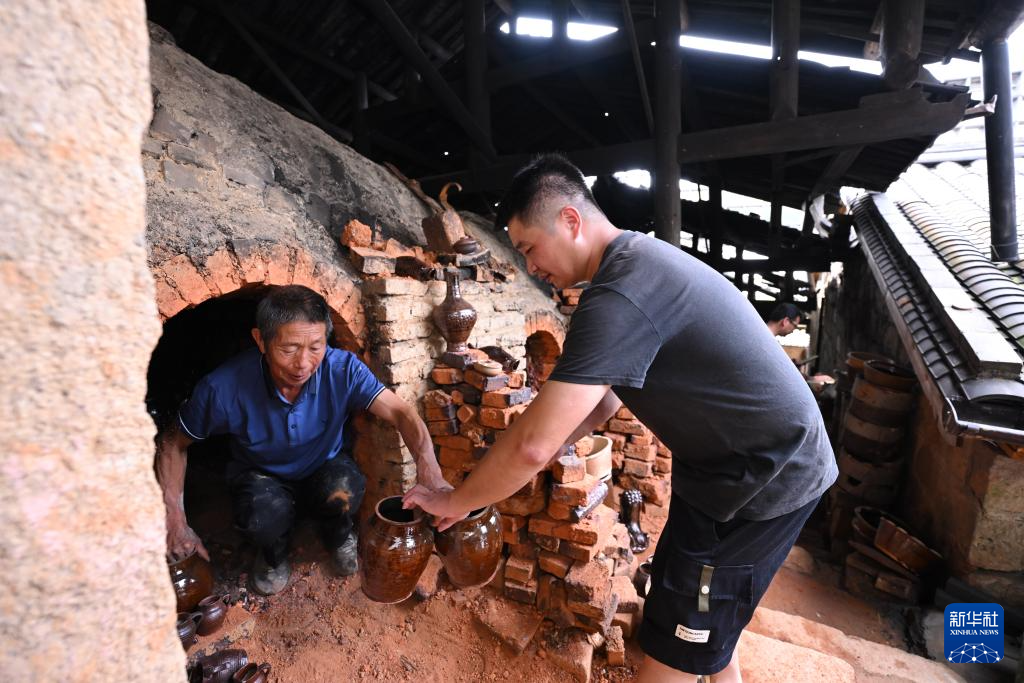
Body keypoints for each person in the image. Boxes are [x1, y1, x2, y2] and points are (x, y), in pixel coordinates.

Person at [404, 155, 837, 682]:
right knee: (694, 614)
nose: (530, 267)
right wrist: (548, 449)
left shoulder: (619, 295)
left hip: (764, 476)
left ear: (570, 220)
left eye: (529, 249)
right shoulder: (635, 265)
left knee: (680, 638)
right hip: (721, 471)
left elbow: (532, 445)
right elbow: (604, 403)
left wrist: (458, 500)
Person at [157, 285, 448, 595]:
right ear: (261, 340)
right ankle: (273, 556)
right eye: (289, 349)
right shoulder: (222, 388)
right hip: (260, 473)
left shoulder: (342, 369)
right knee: (261, 519)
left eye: (315, 347)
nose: (303, 364)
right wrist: (175, 519)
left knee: (344, 489)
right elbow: (172, 444)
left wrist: (429, 470)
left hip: (323, 463)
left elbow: (402, 413)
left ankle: (338, 535)